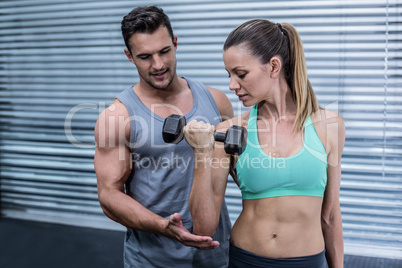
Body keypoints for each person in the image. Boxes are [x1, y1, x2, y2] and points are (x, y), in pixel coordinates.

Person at [184, 19, 345, 268]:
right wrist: (201, 153)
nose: (232, 85)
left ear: (273, 66)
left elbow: (331, 215)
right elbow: (204, 226)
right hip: (246, 259)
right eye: (229, 75)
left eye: (241, 74)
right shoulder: (229, 131)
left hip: (308, 262)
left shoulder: (329, 126)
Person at [94, 6, 233, 267]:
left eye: (164, 51)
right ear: (129, 56)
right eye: (145, 56)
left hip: (215, 255)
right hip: (153, 259)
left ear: (175, 43)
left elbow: (238, 170)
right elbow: (109, 196)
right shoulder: (117, 117)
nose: (158, 65)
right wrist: (163, 226)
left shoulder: (217, 101)